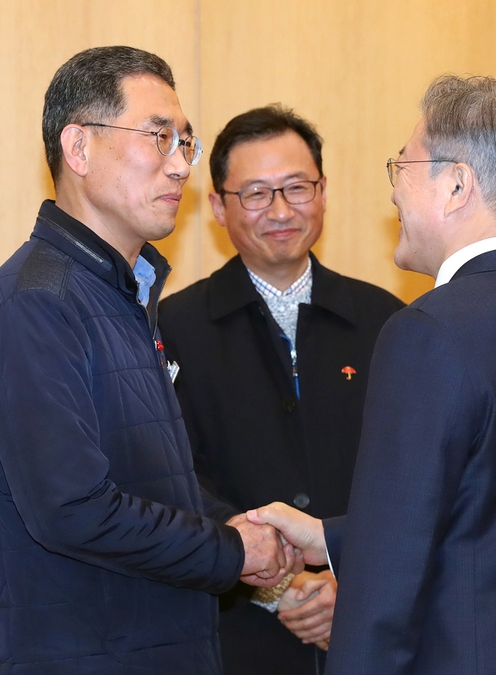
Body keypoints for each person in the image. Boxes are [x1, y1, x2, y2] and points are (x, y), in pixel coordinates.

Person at [249, 75, 496, 675]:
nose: (394, 194)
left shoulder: (427, 331)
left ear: (456, 184)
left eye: (401, 166)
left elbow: (388, 583)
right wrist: (331, 537)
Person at [0, 46, 298, 675]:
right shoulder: (35, 303)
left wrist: (240, 527)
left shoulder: (123, 294)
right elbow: (73, 510)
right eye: (158, 137)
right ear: (79, 148)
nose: (180, 166)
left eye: (185, 143)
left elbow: (148, 477)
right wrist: (229, 551)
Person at [158, 105, 404, 675]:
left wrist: (353, 582)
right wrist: (280, 587)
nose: (281, 210)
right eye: (256, 193)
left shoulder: (388, 322)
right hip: (231, 634)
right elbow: (170, 480)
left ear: (323, 192)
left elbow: (416, 478)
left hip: (372, 630)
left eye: (297, 187)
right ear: (218, 206)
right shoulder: (173, 329)